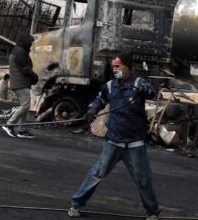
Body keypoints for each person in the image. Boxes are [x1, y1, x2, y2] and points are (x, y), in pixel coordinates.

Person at [67, 52, 160, 220]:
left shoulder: (138, 83)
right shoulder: (110, 86)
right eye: (113, 67)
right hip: (114, 140)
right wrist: (91, 111)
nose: (114, 69)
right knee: (96, 173)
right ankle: (76, 204)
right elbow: (99, 100)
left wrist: (144, 89)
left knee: (143, 179)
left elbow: (152, 92)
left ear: (127, 67)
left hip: (134, 142)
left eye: (117, 66)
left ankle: (152, 213)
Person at [3, 32, 38, 139]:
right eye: (30, 42)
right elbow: (25, 69)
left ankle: (21, 130)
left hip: (21, 83)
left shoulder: (19, 50)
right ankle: (9, 124)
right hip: (20, 84)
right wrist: (34, 77)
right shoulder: (20, 52)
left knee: (25, 107)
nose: (31, 44)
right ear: (25, 42)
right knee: (25, 106)